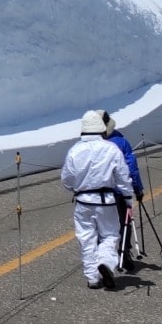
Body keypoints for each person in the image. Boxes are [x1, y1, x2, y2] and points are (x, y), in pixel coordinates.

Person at [61, 110, 136, 290]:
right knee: (110, 235)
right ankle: (106, 263)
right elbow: (123, 176)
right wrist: (128, 197)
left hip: (83, 202)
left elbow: (66, 179)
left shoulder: (74, 150)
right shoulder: (111, 149)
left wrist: (76, 189)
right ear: (102, 129)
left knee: (86, 239)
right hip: (106, 200)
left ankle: (92, 278)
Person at [98, 111, 145, 271]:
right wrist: (137, 188)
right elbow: (131, 166)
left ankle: (103, 259)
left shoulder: (90, 143)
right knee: (124, 223)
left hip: (98, 193)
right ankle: (124, 254)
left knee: (102, 226)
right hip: (119, 192)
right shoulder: (120, 141)